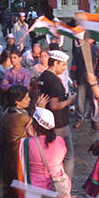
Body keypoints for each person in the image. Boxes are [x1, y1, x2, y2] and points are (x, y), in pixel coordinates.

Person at [0, 85, 48, 198]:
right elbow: (34, 130)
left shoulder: (8, 112)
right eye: (26, 98)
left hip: (7, 158)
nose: (29, 100)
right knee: (16, 194)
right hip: (16, 161)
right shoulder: (20, 117)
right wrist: (40, 109)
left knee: (11, 191)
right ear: (17, 101)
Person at [38, 50, 76, 179]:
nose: (65, 68)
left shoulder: (43, 76)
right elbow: (55, 105)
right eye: (63, 65)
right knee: (68, 155)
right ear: (55, 63)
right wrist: (69, 101)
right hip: (59, 123)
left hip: (47, 122)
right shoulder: (54, 81)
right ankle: (65, 185)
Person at [71, 37, 99, 130]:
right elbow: (74, 64)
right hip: (80, 78)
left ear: (93, 39)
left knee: (94, 101)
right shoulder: (78, 50)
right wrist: (73, 78)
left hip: (93, 80)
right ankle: (79, 119)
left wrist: (97, 77)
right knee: (80, 101)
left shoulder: (97, 50)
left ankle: (94, 120)